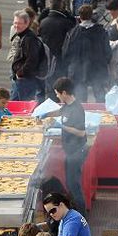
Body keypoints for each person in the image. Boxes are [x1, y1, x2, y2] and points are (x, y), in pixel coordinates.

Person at [38, 77, 87, 213]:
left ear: (64, 93)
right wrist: (44, 114)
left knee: (74, 185)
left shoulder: (77, 109)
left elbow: (81, 132)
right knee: (70, 184)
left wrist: (61, 125)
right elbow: (60, 112)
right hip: (70, 151)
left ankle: (81, 216)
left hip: (77, 152)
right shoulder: (67, 106)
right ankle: (74, 212)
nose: (57, 96)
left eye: (58, 94)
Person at [61, 5, 110, 103]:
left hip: (77, 70)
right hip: (97, 68)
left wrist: (70, 65)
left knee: (80, 98)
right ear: (91, 15)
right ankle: (103, 116)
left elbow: (65, 52)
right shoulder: (100, 31)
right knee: (100, 97)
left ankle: (82, 116)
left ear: (79, 16)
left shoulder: (72, 33)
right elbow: (107, 51)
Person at [10, 10, 43, 101]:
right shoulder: (24, 36)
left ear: (27, 23)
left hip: (25, 80)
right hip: (23, 79)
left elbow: (32, 60)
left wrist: (20, 73)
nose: (16, 26)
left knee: (18, 106)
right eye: (15, 23)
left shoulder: (29, 39)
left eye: (19, 23)